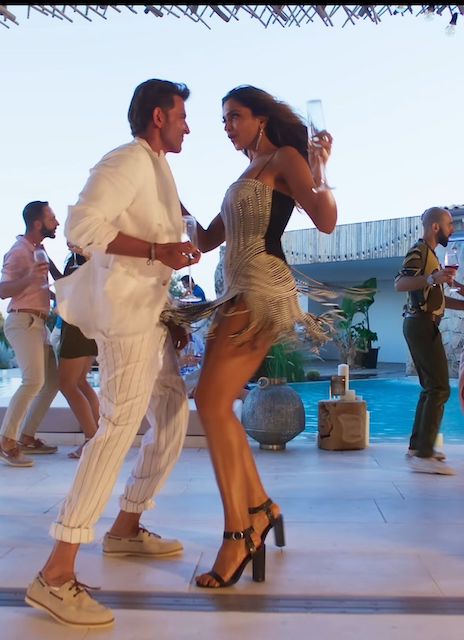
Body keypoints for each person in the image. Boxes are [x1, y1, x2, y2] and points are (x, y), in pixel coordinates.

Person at [25, 78, 200, 629]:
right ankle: (56, 574)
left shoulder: (158, 168)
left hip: (151, 313)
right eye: (181, 116)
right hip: (125, 319)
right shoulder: (125, 160)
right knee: (118, 427)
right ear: (157, 117)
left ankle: (125, 527)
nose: (188, 126)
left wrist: (170, 304)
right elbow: (82, 229)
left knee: (172, 414)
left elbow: (173, 247)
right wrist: (156, 249)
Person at [173, 85, 337, 588]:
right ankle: (261, 509)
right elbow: (206, 240)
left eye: (235, 116)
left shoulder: (285, 157)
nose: (227, 127)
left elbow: (326, 221)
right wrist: (171, 200)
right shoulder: (247, 173)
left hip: (262, 286)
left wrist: (321, 167)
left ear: (261, 118)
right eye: (223, 119)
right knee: (214, 402)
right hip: (234, 289)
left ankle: (239, 533)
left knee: (211, 400)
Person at [395, 206, 464, 475]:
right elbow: (400, 283)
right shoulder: (419, 251)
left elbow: (438, 298)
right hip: (420, 324)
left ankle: (418, 449)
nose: (452, 229)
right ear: (435, 227)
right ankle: (424, 454)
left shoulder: (431, 255)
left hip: (423, 323)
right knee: (439, 388)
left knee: (430, 388)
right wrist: (433, 277)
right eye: (449, 224)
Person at [0, 201, 61, 467]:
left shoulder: (38, 250)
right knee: (33, 381)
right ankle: (7, 441)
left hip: (38, 323)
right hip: (23, 321)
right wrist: (30, 277)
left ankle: (26, 436)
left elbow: (39, 287)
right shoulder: (18, 252)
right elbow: (3, 290)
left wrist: (58, 297)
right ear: (38, 223)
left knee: (53, 382)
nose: (57, 222)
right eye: (52, 218)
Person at [57, 246, 99, 459]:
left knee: (66, 383)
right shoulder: (92, 259)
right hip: (91, 325)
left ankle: (91, 439)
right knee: (80, 381)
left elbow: (67, 289)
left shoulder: (87, 259)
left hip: (77, 326)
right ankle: (98, 438)